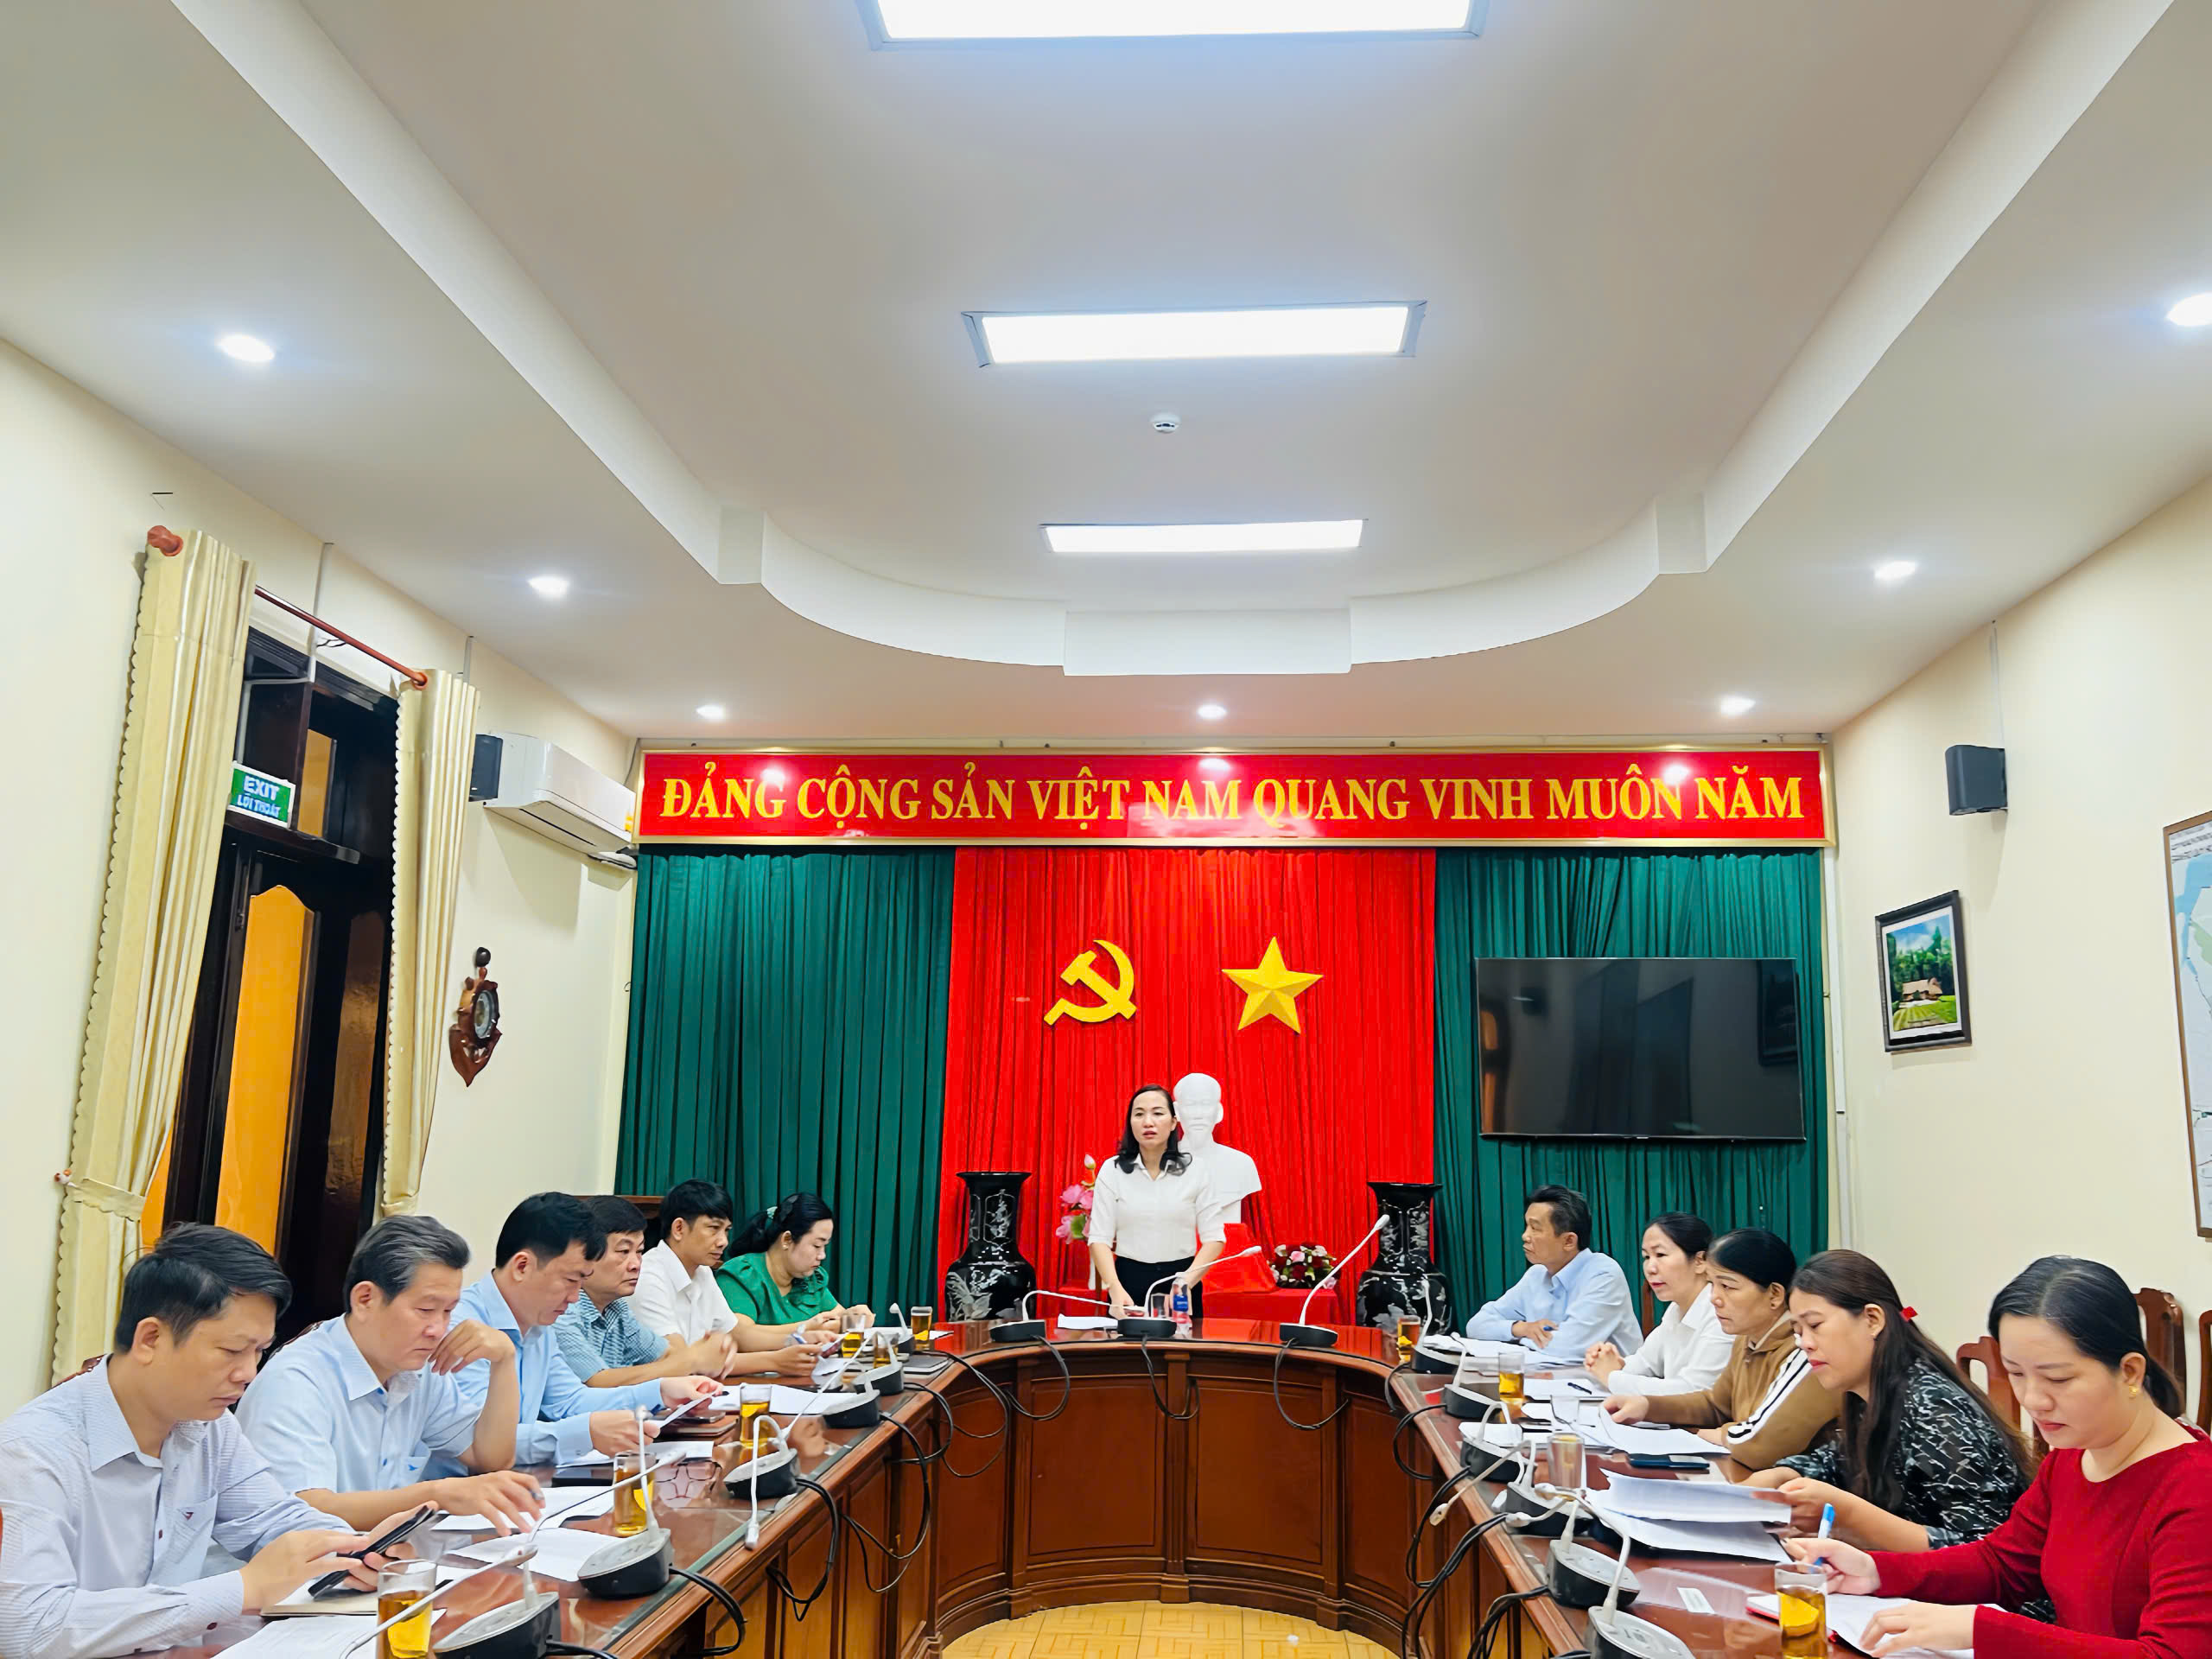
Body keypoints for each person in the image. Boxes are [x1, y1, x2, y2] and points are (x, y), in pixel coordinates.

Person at [0, 1225, 407, 1659]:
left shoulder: (206, 1425)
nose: (248, 1373)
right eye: (232, 1351)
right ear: (151, 1339)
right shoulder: (33, 1451)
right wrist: (243, 1588)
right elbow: (28, 1628)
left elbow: (271, 1517)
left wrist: (354, 1551)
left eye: (259, 1351)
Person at [1789, 1255, 2212, 1658]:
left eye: (2057, 1378)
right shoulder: (2074, 1456)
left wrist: (1982, 1629)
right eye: (2016, 1373)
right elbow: (2003, 1562)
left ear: (2130, 1372)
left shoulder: (2194, 1488)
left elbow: (2170, 1653)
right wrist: (1876, 1571)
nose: (2033, 1399)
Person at [238, 1214, 543, 1534]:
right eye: (426, 1310)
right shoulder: (296, 1379)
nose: (438, 1329)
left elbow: (490, 1458)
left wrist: (504, 1361)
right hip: (300, 1561)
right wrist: (435, 1494)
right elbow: (305, 1510)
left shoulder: (420, 1369)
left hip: (379, 1554)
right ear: (365, 1299)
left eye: (448, 1311)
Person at [1745, 1249, 2031, 1551]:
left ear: (1872, 1319)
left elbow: (1981, 1548)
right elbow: (1836, 1462)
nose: (1805, 1343)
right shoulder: (1871, 1395)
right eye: (1798, 1332)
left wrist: (1849, 1517)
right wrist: (1782, 1475)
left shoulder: (1935, 1408)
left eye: (1815, 1326)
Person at [449, 1192, 718, 1468]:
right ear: (522, 1266)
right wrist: (586, 1432)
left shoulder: (538, 1323)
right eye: (570, 1280)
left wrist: (660, 1392)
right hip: (456, 1487)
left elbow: (569, 1401)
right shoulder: (462, 1326)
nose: (575, 1297)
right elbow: (482, 1443)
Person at [1605, 1227, 1835, 1473]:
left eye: (1727, 1286)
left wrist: (1709, 1434)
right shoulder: (1746, 1338)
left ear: (1775, 1295)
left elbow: (1762, 1445)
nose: (1714, 1298)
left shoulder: (1804, 1350)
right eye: (1711, 1284)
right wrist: (1647, 1407)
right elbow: (1716, 1405)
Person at [557, 1197, 823, 1383]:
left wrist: (706, 1355)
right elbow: (597, 1382)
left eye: (638, 1251)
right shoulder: (564, 1310)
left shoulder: (617, 1310)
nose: (636, 1263)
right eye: (624, 1251)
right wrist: (696, 1359)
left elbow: (672, 1357)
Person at [1088, 1084, 1230, 1316]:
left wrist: (1185, 1282)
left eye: (1157, 1113)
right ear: (1130, 1123)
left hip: (1182, 1282)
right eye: (1139, 1114)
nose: (1148, 1122)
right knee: (1125, 1340)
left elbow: (1214, 1238)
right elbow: (1099, 1238)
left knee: (1182, 1341)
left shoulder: (1197, 1170)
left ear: (1173, 1122)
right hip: (1126, 1283)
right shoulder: (1112, 1171)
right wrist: (1114, 1288)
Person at [1465, 1185, 1641, 1359]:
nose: (1525, 1236)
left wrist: (1517, 1340)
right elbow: (1476, 1325)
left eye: (1535, 1228)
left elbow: (1569, 1347)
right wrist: (1521, 1328)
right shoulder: (1536, 1275)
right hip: (1549, 1374)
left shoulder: (1603, 1274)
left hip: (1607, 1378)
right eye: (1527, 1226)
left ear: (1569, 1241)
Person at [1584, 1211, 1729, 1395]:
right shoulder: (1676, 1310)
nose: (1650, 1269)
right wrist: (1612, 1363)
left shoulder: (1721, 1314)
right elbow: (1644, 1363)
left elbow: (1694, 1392)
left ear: (1700, 1261)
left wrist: (1612, 1376)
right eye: (1646, 1257)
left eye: (1660, 1254)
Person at [718, 1193, 872, 1340]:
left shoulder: (810, 1279)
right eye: (817, 1245)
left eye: (825, 1246)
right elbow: (741, 1336)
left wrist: (854, 1317)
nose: (822, 1255)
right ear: (787, 1239)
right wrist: (809, 1328)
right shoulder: (741, 1275)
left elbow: (839, 1318)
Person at [632, 1179, 741, 1351]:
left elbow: (732, 1334)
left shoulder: (702, 1270)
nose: (723, 1242)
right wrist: (775, 1361)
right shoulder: (647, 1278)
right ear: (679, 1228)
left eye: (726, 1230)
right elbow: (678, 1359)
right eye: (714, 1228)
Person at [1171, 1072, 1262, 1223]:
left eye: (1206, 1104)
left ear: (1219, 1112)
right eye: (1190, 1104)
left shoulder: (1242, 1164)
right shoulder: (1159, 1163)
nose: (1198, 1114)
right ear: (1177, 1112)